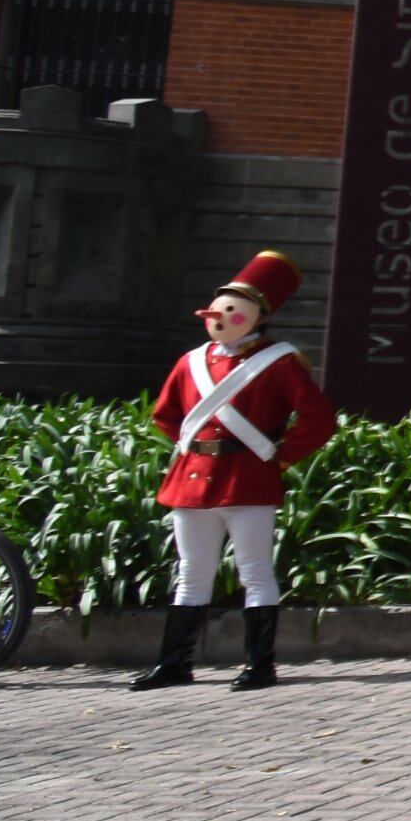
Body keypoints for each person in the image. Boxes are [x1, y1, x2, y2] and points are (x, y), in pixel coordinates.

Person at [134, 248, 336, 692]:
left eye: (231, 311)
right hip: (191, 480)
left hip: (248, 477)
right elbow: (166, 415)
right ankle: (174, 664)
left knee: (255, 572)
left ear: (255, 317)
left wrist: (280, 455)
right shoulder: (191, 362)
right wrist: (192, 447)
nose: (219, 318)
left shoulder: (280, 363)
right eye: (217, 310)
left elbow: (319, 419)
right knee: (192, 572)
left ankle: (259, 665)